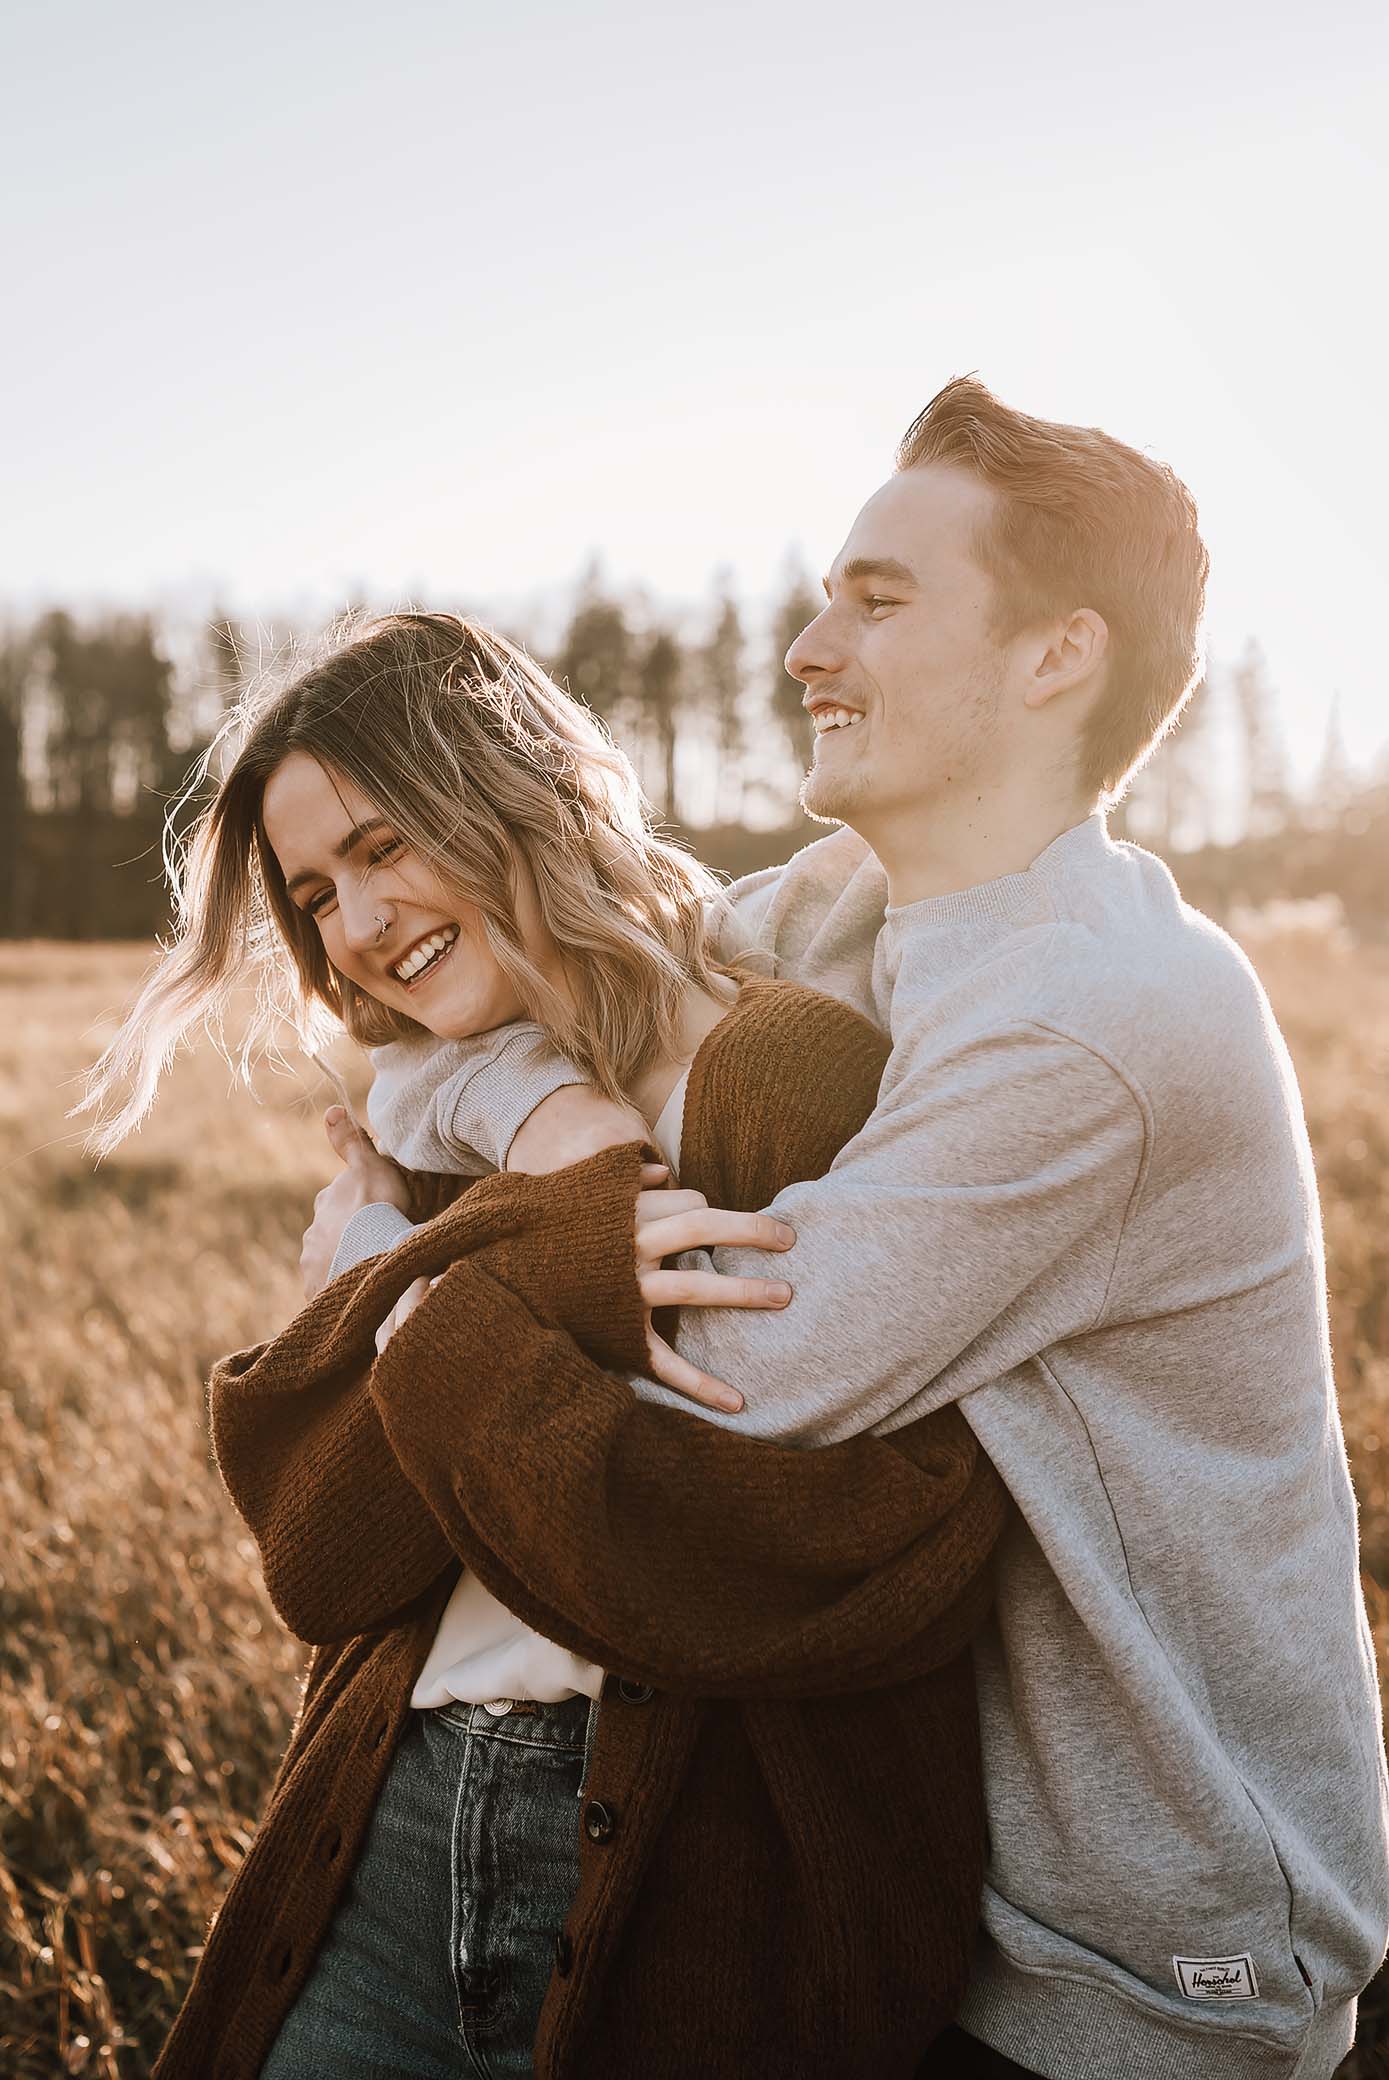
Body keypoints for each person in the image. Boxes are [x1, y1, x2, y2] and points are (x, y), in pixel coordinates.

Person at [311, 377, 1389, 2079]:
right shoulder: (833, 916)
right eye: (825, 596)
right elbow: (471, 1032)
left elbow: (740, 1383)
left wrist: (388, 1297)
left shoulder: (1092, 1020)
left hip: (1143, 1974)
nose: (808, 647)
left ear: (1056, 658)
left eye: (876, 602)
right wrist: (534, 1116)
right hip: (942, 1898)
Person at [79, 610, 1008, 2080]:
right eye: (316, 895)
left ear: (515, 787)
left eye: (385, 847)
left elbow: (853, 1558)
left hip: (692, 1890)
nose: (360, 927)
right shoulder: (442, 1111)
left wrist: (411, 1294)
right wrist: (493, 1236)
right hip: (389, 1824)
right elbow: (323, 1554)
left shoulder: (782, 1077)